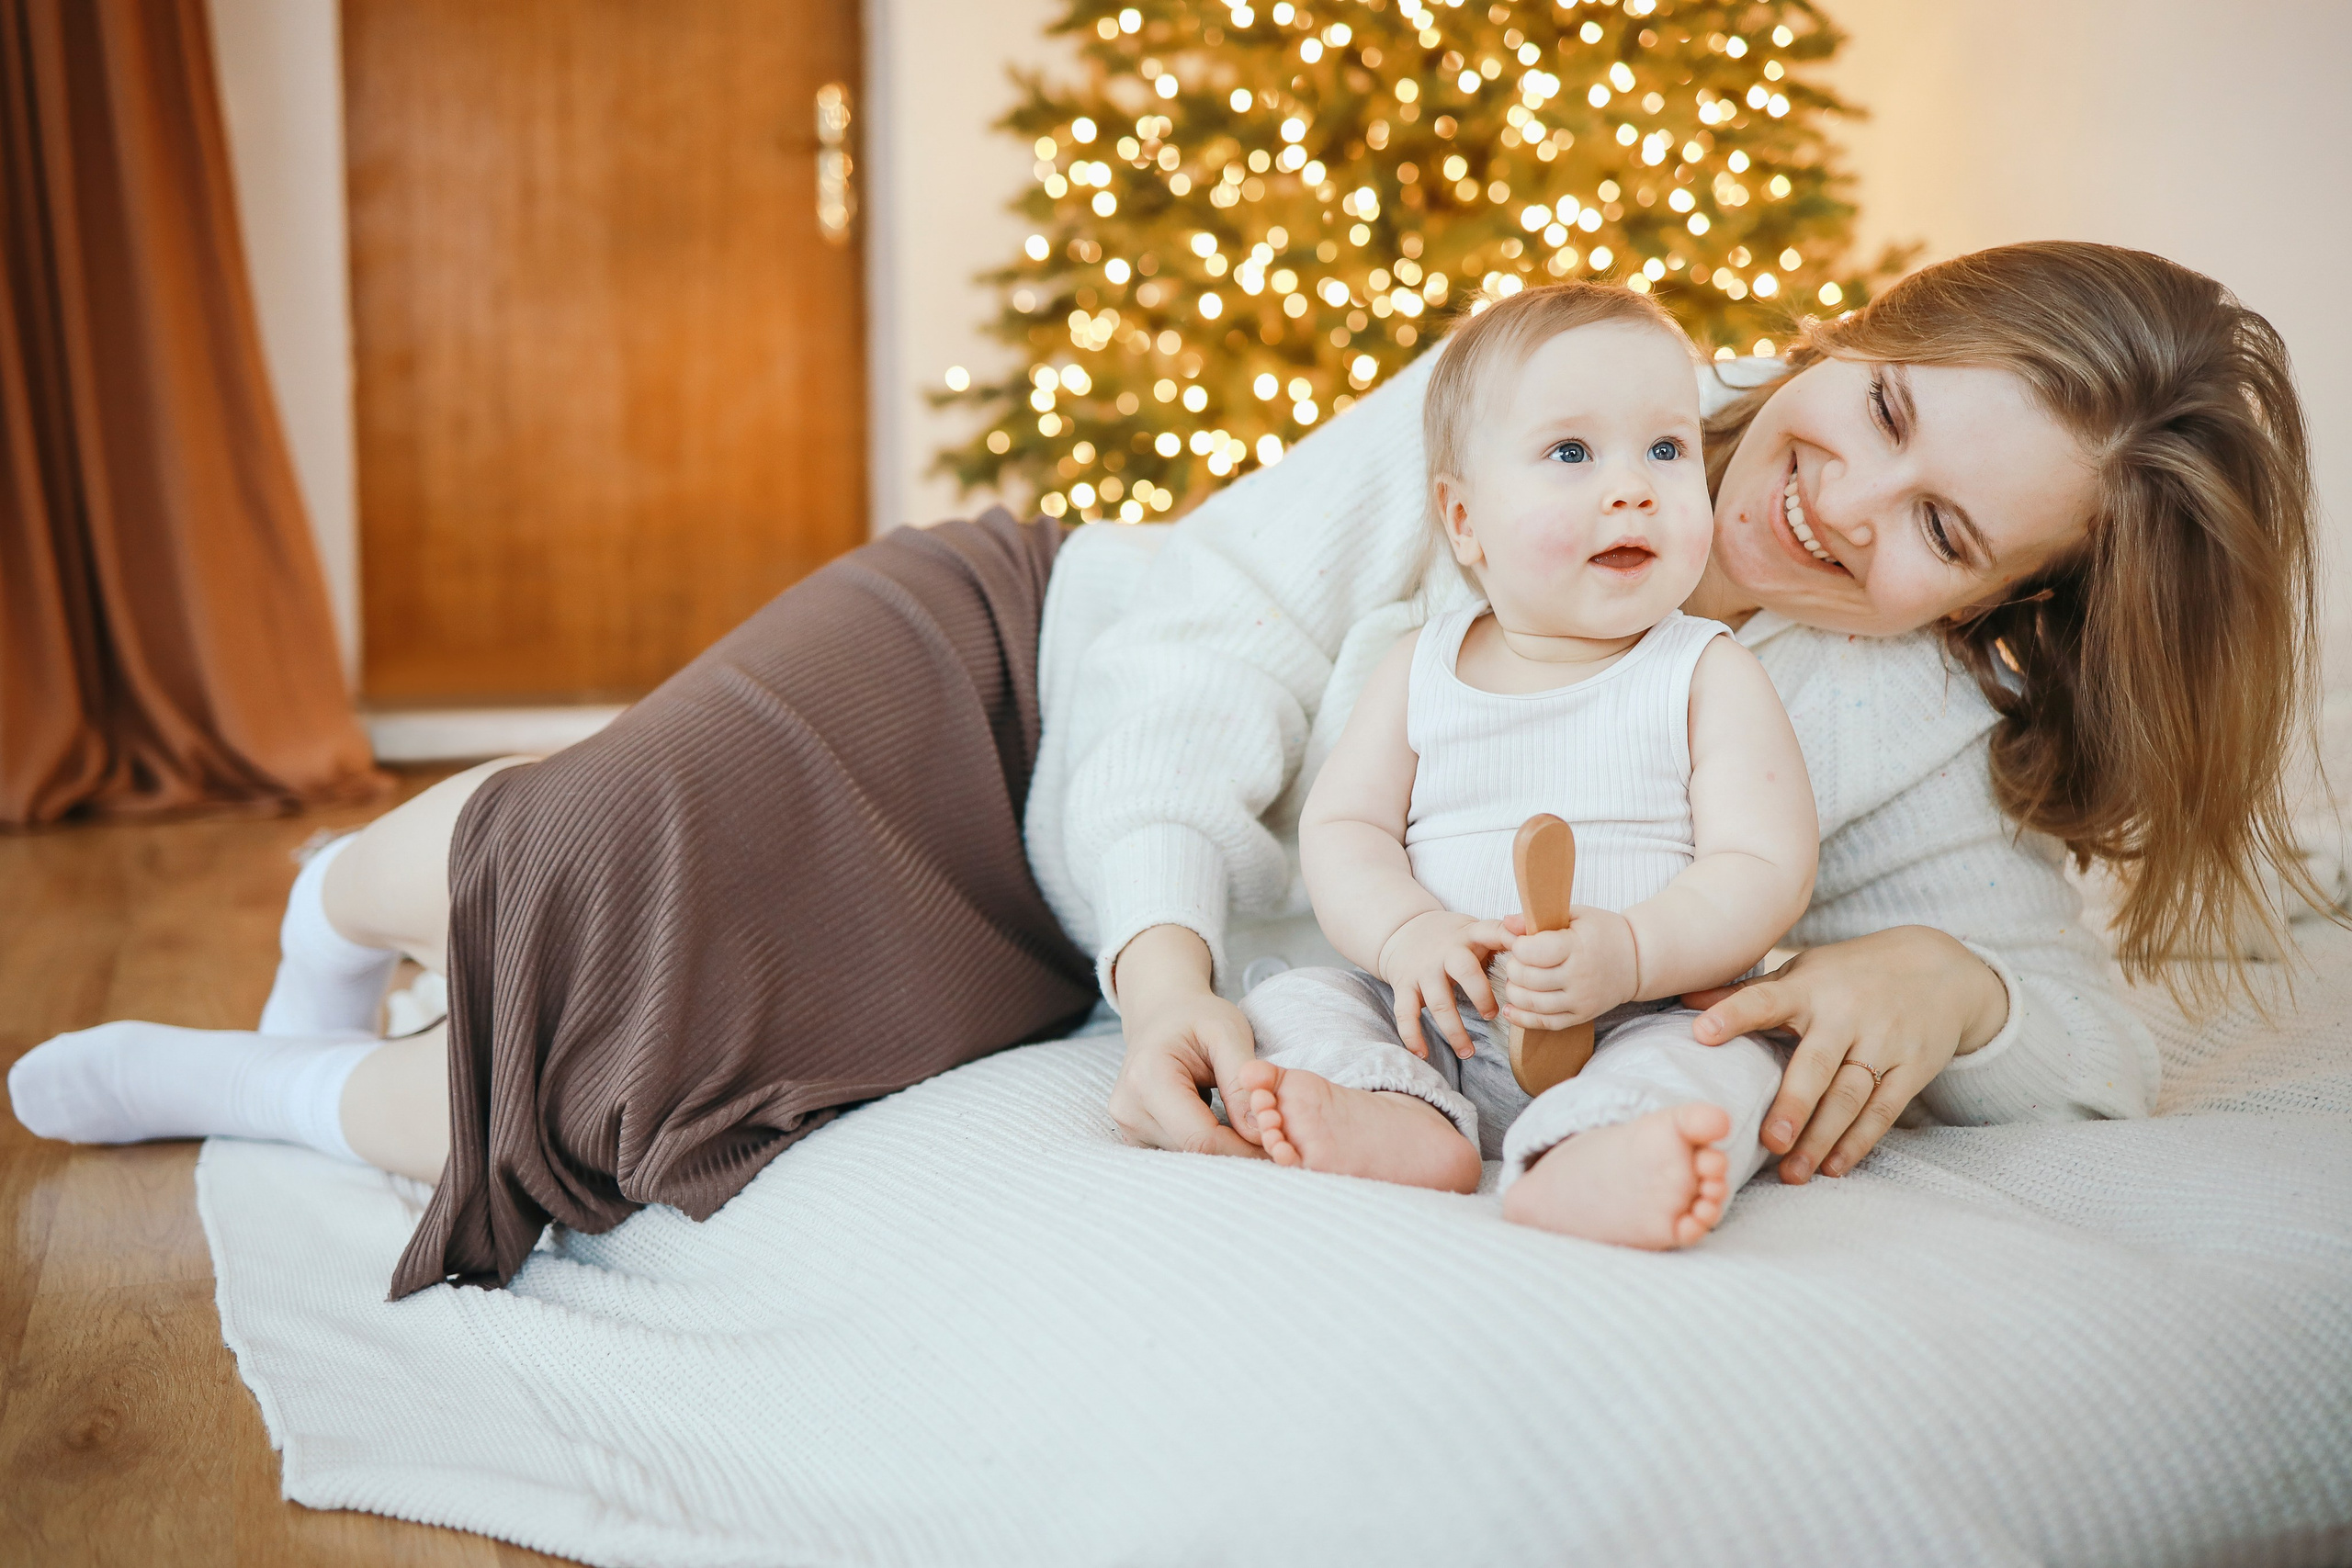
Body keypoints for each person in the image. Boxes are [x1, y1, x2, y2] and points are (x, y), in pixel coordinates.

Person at [7, 243, 2322, 1296]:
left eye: (1937, 530)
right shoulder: (1569, 387)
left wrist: (1946, 977)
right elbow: (1212, 630)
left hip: (1102, 934)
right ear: (1845, 327)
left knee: (619, 1103)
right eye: (1880, 413)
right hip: (1028, 682)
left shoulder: (1899, 722)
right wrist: (1164, 934)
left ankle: (257, 1095)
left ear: (1992, 607)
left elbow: (2101, 1016)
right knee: (605, 845)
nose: (1839, 502)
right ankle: (333, 907)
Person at [1232, 281, 1817, 1250]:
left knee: (1731, 1054)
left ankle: (1592, 1158)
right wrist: (1407, 935)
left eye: (1666, 450)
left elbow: (1763, 867)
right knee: (1294, 1001)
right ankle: (1402, 1118)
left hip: (1639, 1013)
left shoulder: (1705, 672)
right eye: (1571, 453)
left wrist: (1631, 951)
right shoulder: (1416, 665)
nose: (1631, 487)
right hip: (1431, 1014)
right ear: (1464, 521)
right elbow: (1344, 832)